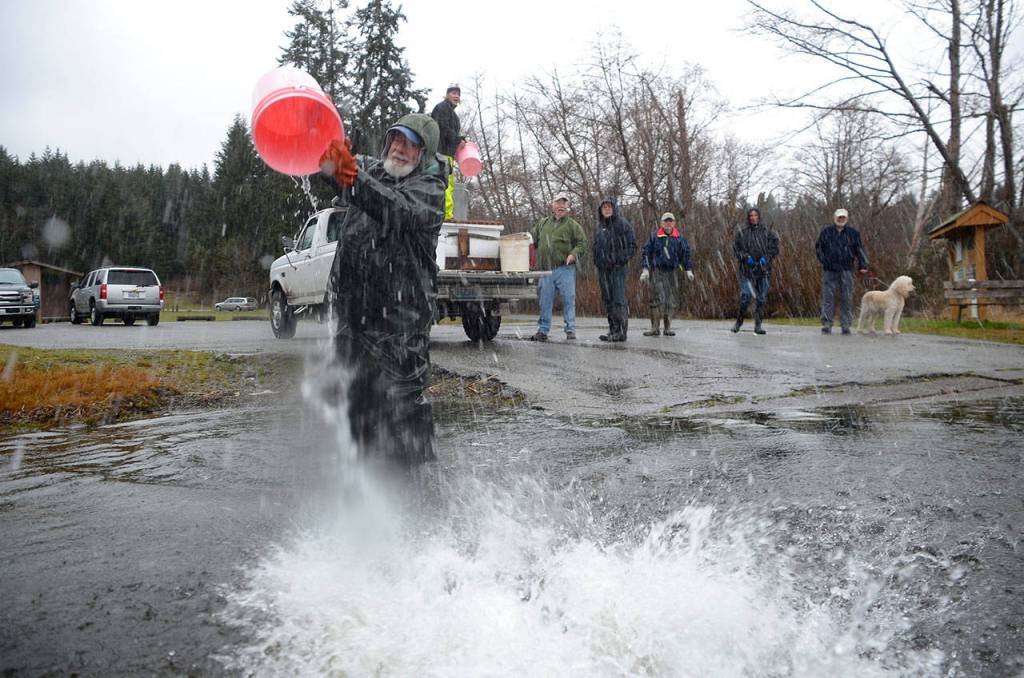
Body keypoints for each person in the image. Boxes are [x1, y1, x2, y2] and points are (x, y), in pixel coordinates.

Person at [318, 113, 447, 464]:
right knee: (356, 403)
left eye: (411, 145)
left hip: (401, 323)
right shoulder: (373, 170)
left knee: (404, 411)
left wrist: (353, 179)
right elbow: (336, 171)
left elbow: (396, 209)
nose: (400, 149)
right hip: (355, 315)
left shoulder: (430, 190)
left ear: (424, 154)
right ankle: (363, 487)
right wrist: (328, 157)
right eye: (396, 140)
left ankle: (417, 495)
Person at [529, 193, 588, 342]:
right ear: (552, 206)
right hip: (545, 270)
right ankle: (543, 331)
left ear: (567, 207)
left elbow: (582, 244)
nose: (561, 206)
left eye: (564, 203)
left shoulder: (573, 226)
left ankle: (570, 329)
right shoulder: (543, 223)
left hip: (565, 269)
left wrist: (573, 254)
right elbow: (531, 240)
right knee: (544, 301)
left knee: (568, 300)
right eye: (558, 203)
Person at [815, 207, 869, 335]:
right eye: (839, 217)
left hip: (847, 270)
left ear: (847, 219)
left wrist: (863, 265)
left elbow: (859, 250)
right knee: (828, 298)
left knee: (847, 298)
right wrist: (825, 261)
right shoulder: (826, 232)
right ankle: (827, 323)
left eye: (843, 217)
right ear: (835, 218)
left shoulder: (853, 233)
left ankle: (846, 324)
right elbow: (818, 249)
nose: (841, 219)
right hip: (830, 270)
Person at [640, 212, 694, 337]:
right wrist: (645, 269)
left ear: (674, 223)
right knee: (655, 299)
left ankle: (667, 328)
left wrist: (688, 269)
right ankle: (654, 328)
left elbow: (685, 254)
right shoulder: (654, 237)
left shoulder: (679, 238)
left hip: (673, 272)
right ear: (661, 223)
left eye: (670, 221)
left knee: (671, 300)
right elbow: (646, 253)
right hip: (657, 271)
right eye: (666, 221)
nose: (668, 223)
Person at [592, 198, 637, 342]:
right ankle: (613, 330)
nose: (606, 209)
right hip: (603, 269)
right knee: (608, 299)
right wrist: (597, 261)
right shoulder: (600, 227)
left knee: (618, 299)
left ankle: (621, 332)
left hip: (618, 268)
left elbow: (632, 246)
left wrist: (618, 259)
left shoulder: (622, 224)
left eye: (609, 207)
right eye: (604, 207)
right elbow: (596, 247)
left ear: (614, 208)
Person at [731, 207, 780, 335]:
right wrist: (746, 257)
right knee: (746, 297)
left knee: (761, 298)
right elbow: (736, 250)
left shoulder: (767, 232)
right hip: (747, 271)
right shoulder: (742, 233)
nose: (753, 217)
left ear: (759, 217)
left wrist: (766, 258)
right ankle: (738, 322)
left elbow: (774, 249)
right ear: (748, 218)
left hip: (763, 271)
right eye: (751, 215)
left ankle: (758, 325)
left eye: (755, 215)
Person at [430, 84, 462, 221]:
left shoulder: (453, 115)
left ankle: (446, 213)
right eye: (453, 93)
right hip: (440, 152)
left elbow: (451, 133)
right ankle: (445, 215)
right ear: (447, 95)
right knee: (444, 183)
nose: (456, 96)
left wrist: (460, 141)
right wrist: (458, 139)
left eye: (458, 94)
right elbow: (443, 129)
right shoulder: (442, 108)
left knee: (449, 184)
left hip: (447, 154)